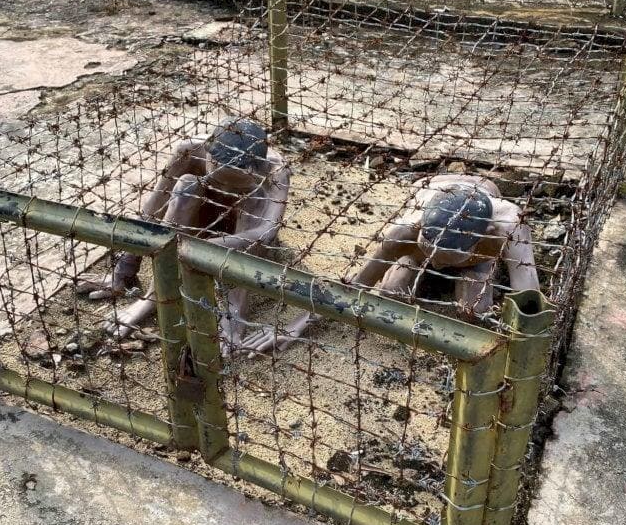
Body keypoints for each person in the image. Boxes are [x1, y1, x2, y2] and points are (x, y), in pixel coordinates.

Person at [239, 173, 539, 354]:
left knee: (475, 313)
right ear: (420, 228)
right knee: (389, 295)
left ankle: (474, 268)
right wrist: (293, 329)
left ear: (483, 236)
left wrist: (518, 349)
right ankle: (427, 261)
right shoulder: (405, 231)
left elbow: (529, 297)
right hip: (430, 202)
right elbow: (356, 284)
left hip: (476, 255)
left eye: (447, 260)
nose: (440, 265)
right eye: (431, 254)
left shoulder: (508, 227)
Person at [76, 116, 290, 344]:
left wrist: (205, 249)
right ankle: (155, 295)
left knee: (254, 198)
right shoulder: (189, 150)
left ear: (255, 169)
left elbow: (266, 233)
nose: (225, 190)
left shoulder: (276, 171)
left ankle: (233, 310)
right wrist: (124, 268)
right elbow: (153, 209)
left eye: (235, 185)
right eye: (218, 182)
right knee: (187, 184)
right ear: (208, 155)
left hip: (241, 242)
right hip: (190, 226)